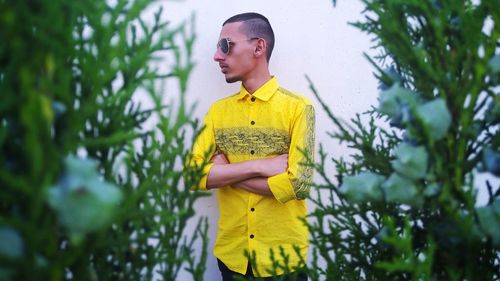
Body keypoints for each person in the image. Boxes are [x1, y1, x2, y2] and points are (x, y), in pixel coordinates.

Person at [189, 12, 315, 281]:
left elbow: (299, 184)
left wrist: (226, 173)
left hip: (283, 260)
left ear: (259, 47)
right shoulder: (217, 112)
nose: (217, 56)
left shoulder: (299, 108)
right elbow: (193, 174)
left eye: (225, 45)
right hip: (232, 258)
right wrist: (259, 166)